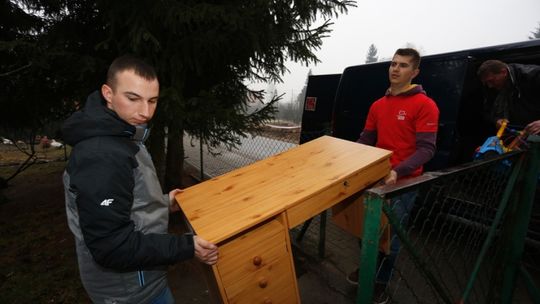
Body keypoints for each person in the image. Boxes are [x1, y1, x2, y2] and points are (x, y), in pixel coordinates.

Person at [62, 55, 218, 304]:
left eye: (152, 101)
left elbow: (125, 202)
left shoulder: (124, 134)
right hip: (128, 293)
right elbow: (111, 247)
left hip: (143, 281)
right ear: (108, 93)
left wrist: (164, 202)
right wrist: (187, 246)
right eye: (133, 98)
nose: (145, 112)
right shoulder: (102, 155)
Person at [347, 48, 440, 304]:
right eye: (393, 64)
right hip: (375, 178)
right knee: (364, 229)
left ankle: (380, 282)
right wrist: (347, 158)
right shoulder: (378, 104)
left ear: (415, 72)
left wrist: (397, 171)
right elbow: (366, 138)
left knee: (390, 239)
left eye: (403, 65)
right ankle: (368, 268)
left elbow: (427, 149)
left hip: (403, 183)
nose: (395, 69)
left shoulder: (425, 105)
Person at [477, 60, 540, 135]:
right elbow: (487, 110)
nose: (490, 86)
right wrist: (496, 120)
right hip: (519, 133)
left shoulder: (533, 75)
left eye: (491, 81)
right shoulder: (492, 86)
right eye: (487, 83)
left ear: (504, 72)